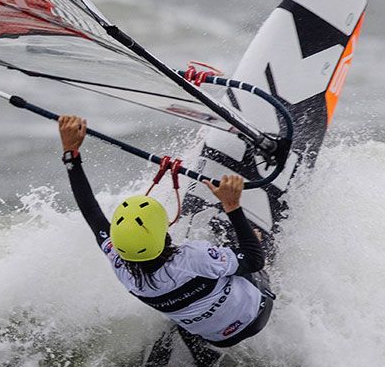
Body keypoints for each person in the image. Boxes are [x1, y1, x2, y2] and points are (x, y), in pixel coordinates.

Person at [58, 114, 274, 349]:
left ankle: (190, 348)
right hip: (257, 314)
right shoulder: (192, 258)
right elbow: (254, 261)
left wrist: (71, 154)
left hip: (217, 339)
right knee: (248, 240)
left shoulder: (124, 271)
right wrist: (232, 207)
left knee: (186, 299)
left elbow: (91, 213)